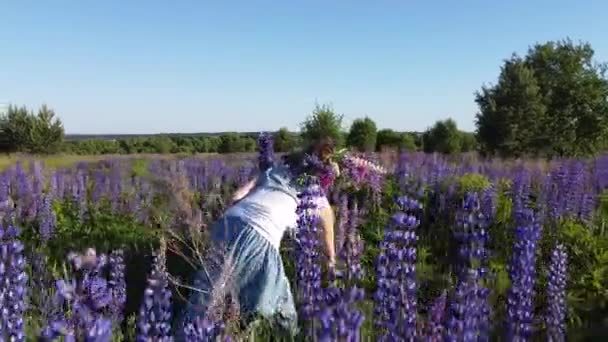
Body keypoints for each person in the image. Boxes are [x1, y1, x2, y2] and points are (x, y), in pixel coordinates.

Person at [181, 138, 340, 336]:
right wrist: (331, 261)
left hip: (226, 223)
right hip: (258, 234)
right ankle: (291, 337)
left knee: (207, 296)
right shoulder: (314, 191)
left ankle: (190, 333)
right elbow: (328, 227)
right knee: (281, 308)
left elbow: (236, 196)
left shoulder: (274, 171)